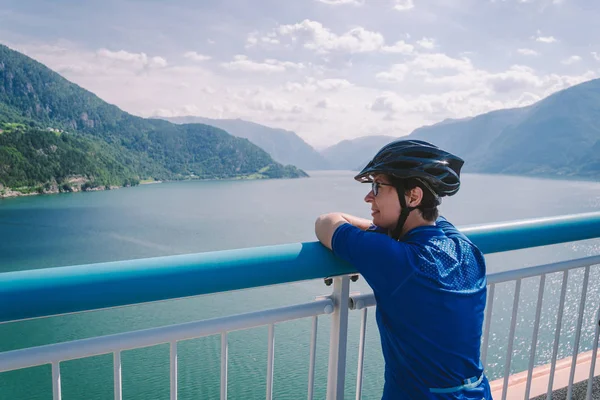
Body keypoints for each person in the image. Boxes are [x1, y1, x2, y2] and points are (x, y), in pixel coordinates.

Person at [315, 139, 492, 399]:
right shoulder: (467, 250)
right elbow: (437, 223)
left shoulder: (400, 261)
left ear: (413, 196)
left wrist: (377, 232)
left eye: (378, 186)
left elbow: (326, 222)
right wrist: (385, 227)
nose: (368, 196)